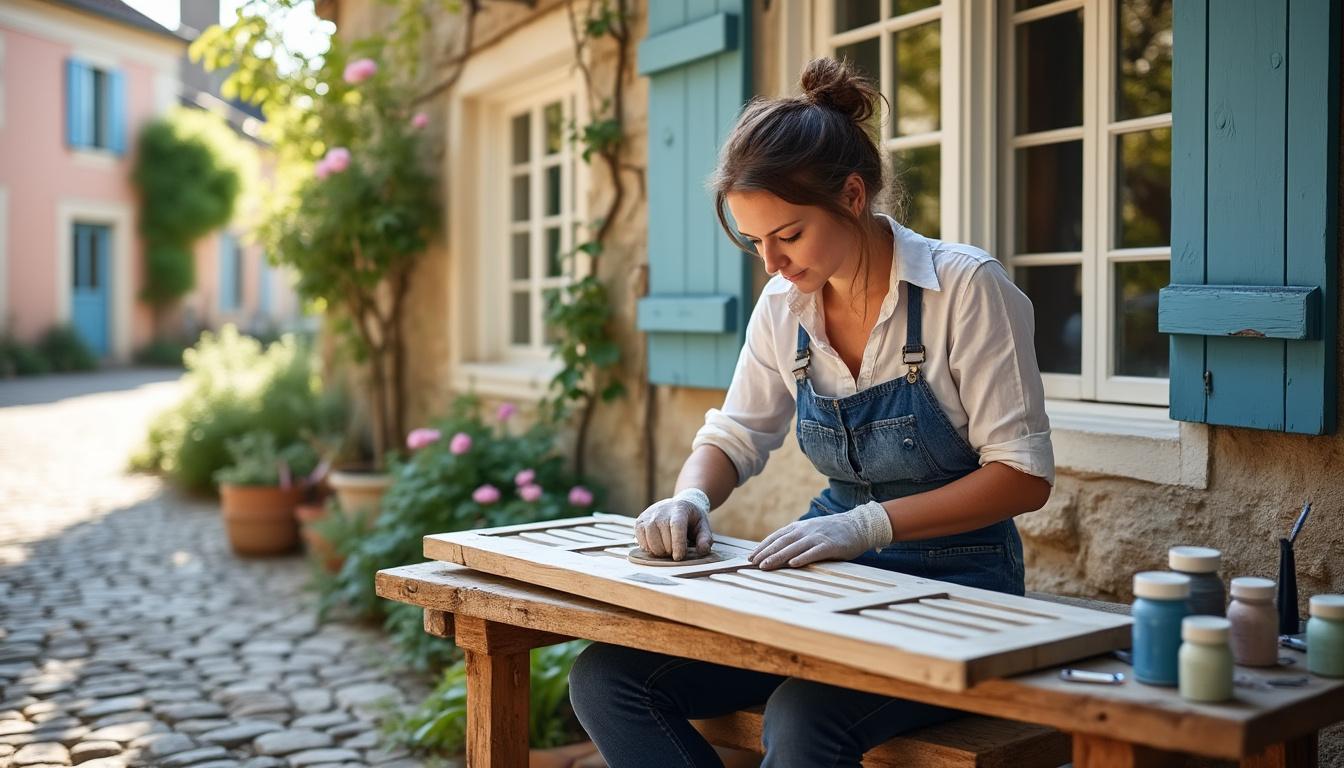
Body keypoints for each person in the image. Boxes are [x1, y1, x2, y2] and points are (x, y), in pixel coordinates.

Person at [569, 57, 1054, 768]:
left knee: (801, 716)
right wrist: (690, 496)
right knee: (610, 679)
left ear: (852, 196)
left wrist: (868, 524)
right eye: (752, 241)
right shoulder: (783, 307)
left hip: (958, 588)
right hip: (829, 579)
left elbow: (1023, 477)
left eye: (787, 236)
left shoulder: (965, 289)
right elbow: (735, 435)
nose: (769, 261)